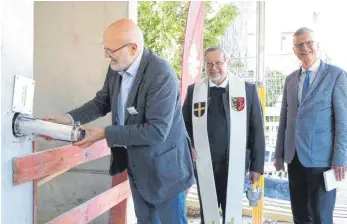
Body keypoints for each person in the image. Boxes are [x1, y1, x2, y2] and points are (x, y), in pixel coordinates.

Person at [44, 18, 194, 224]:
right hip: (138, 169)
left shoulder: (161, 74)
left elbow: (156, 131)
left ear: (133, 48)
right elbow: (101, 102)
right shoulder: (117, 66)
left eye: (110, 50)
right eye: (104, 49)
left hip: (166, 171)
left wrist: (106, 133)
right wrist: (68, 119)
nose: (106, 56)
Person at [182, 46, 265, 222]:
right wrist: (188, 148)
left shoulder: (246, 90)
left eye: (218, 63)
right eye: (209, 64)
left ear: (228, 62)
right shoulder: (195, 91)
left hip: (235, 163)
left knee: (232, 211)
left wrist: (257, 166)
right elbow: (184, 126)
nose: (214, 68)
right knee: (208, 213)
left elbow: (257, 129)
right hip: (205, 164)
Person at [274, 27, 347, 224]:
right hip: (294, 158)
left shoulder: (336, 75)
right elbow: (285, 119)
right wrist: (279, 153)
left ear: (317, 45)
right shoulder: (290, 79)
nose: (304, 47)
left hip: (323, 161)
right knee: (299, 215)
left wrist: (340, 158)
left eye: (308, 43)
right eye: (299, 45)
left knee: (321, 217)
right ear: (294, 50)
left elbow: (343, 121)